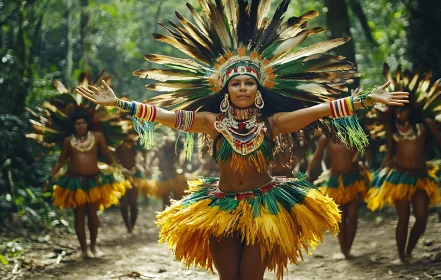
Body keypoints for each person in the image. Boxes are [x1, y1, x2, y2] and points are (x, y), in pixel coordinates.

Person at [76, 1, 408, 278]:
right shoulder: (212, 123)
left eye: (249, 83)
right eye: (236, 84)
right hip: (220, 205)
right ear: (226, 91)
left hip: (263, 205)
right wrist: (119, 103)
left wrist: (365, 99)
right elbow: (167, 116)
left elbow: (318, 110)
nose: (243, 88)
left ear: (259, 90)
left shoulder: (272, 123)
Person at [365, 64, 441, 264]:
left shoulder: (425, 125)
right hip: (399, 176)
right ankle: (401, 256)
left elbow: (440, 142)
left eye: (403, 111)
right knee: (403, 218)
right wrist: (380, 175)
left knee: (422, 218)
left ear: (411, 110)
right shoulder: (393, 128)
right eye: (396, 112)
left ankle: (409, 249)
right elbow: (390, 153)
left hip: (421, 177)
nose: (399, 115)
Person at [49, 109, 128, 258]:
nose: (80, 126)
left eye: (83, 122)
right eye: (77, 123)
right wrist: (51, 177)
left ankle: (93, 247)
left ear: (87, 124)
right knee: (79, 215)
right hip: (75, 182)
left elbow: (108, 154)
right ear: (73, 126)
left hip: (94, 180)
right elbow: (61, 160)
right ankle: (84, 250)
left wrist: (116, 168)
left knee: (92, 214)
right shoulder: (68, 141)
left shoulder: (97, 137)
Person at [306, 135, 371, 259]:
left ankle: (348, 249)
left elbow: (367, 148)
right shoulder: (327, 138)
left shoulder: (353, 133)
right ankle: (343, 249)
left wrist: (365, 162)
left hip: (353, 179)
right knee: (340, 216)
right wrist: (308, 171)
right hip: (336, 181)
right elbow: (317, 155)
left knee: (352, 215)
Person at [116, 135, 141, 234]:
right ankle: (128, 227)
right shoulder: (118, 149)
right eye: (128, 142)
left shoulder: (136, 149)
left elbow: (141, 162)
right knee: (123, 204)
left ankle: (132, 225)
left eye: (131, 142)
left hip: (134, 178)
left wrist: (136, 168)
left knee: (133, 204)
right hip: (121, 178)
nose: (130, 144)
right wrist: (123, 170)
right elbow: (114, 162)